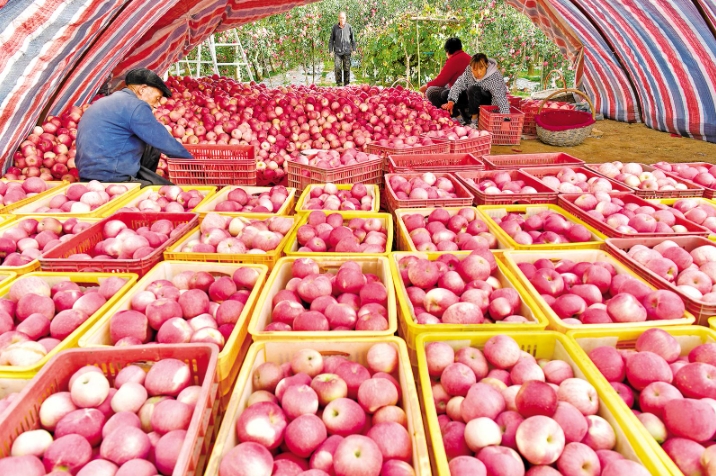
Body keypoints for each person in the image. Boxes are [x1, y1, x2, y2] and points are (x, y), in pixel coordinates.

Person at [76, 68, 193, 186]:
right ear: (143, 89)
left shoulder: (103, 102)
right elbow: (164, 141)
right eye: (157, 98)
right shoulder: (136, 105)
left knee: (150, 139)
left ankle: (140, 177)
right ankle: (135, 181)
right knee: (172, 191)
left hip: (87, 176)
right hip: (112, 178)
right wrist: (196, 168)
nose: (157, 105)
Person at [443, 53, 510, 125]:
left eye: (481, 68)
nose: (478, 72)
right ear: (471, 67)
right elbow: (458, 85)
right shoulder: (468, 71)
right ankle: (460, 119)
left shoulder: (495, 77)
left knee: (473, 89)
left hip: (487, 103)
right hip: (472, 100)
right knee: (446, 94)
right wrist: (451, 101)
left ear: (486, 65)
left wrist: (506, 119)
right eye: (474, 69)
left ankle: (474, 120)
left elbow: (502, 99)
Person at [419, 38, 471, 114]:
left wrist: (424, 87)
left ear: (448, 51)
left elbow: (440, 82)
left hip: (463, 96)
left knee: (431, 91)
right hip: (469, 94)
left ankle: (448, 113)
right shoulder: (467, 57)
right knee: (445, 87)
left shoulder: (454, 60)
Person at [328, 12, 356, 86]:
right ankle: (339, 83)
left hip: (347, 51)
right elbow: (331, 40)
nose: (342, 19)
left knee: (347, 68)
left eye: (343, 18)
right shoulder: (335, 28)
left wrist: (354, 49)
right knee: (337, 67)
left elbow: (353, 40)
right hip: (338, 52)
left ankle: (346, 84)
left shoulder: (349, 27)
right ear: (338, 18)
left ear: (345, 18)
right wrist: (331, 51)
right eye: (340, 17)